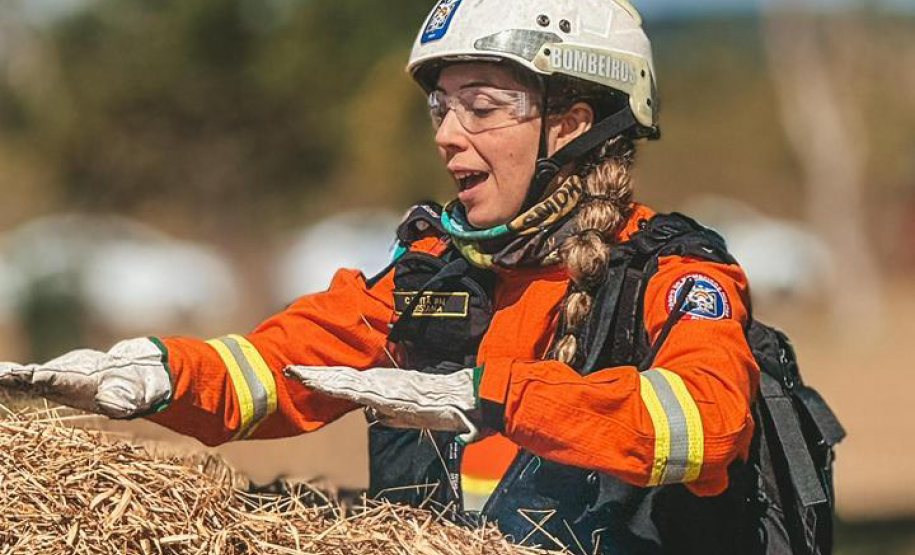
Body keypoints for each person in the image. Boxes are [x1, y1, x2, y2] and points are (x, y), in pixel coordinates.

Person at [0, 1, 761, 553]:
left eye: (481, 106)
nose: (445, 135)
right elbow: (281, 367)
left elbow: (706, 421)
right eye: (440, 106)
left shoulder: (675, 272)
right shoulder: (427, 272)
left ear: (572, 123)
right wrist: (157, 373)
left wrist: (486, 393)